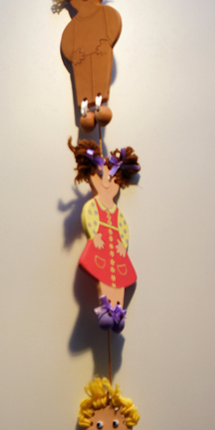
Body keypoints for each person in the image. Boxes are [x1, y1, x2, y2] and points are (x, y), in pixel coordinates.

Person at [68, 138, 140, 332]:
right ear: (93, 176)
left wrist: (122, 245)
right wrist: (95, 236)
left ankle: (118, 310)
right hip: (101, 247)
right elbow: (91, 218)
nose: (108, 183)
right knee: (105, 277)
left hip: (116, 249)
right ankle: (106, 309)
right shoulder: (94, 205)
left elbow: (123, 228)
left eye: (113, 179)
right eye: (102, 177)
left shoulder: (117, 211)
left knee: (120, 280)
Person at [52, 0, 121, 132]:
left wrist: (106, 42)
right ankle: (85, 109)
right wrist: (74, 55)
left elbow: (113, 25)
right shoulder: (73, 26)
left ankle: (98, 105)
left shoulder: (106, 14)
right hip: (81, 61)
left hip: (100, 53)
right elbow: (67, 44)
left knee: (99, 81)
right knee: (83, 86)